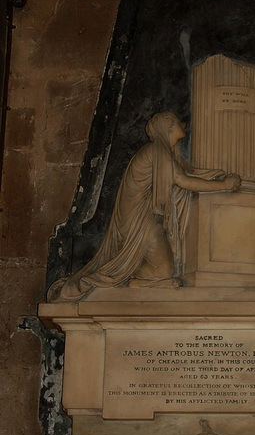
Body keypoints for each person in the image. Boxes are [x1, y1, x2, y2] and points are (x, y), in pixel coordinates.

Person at [47, 111, 240, 302]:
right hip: (139, 219)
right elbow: (183, 180)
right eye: (177, 120)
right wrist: (224, 185)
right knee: (164, 271)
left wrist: (215, 176)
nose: (183, 124)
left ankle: (135, 279)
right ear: (169, 126)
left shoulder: (164, 152)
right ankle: (132, 280)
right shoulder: (157, 150)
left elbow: (187, 173)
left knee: (163, 269)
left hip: (143, 217)